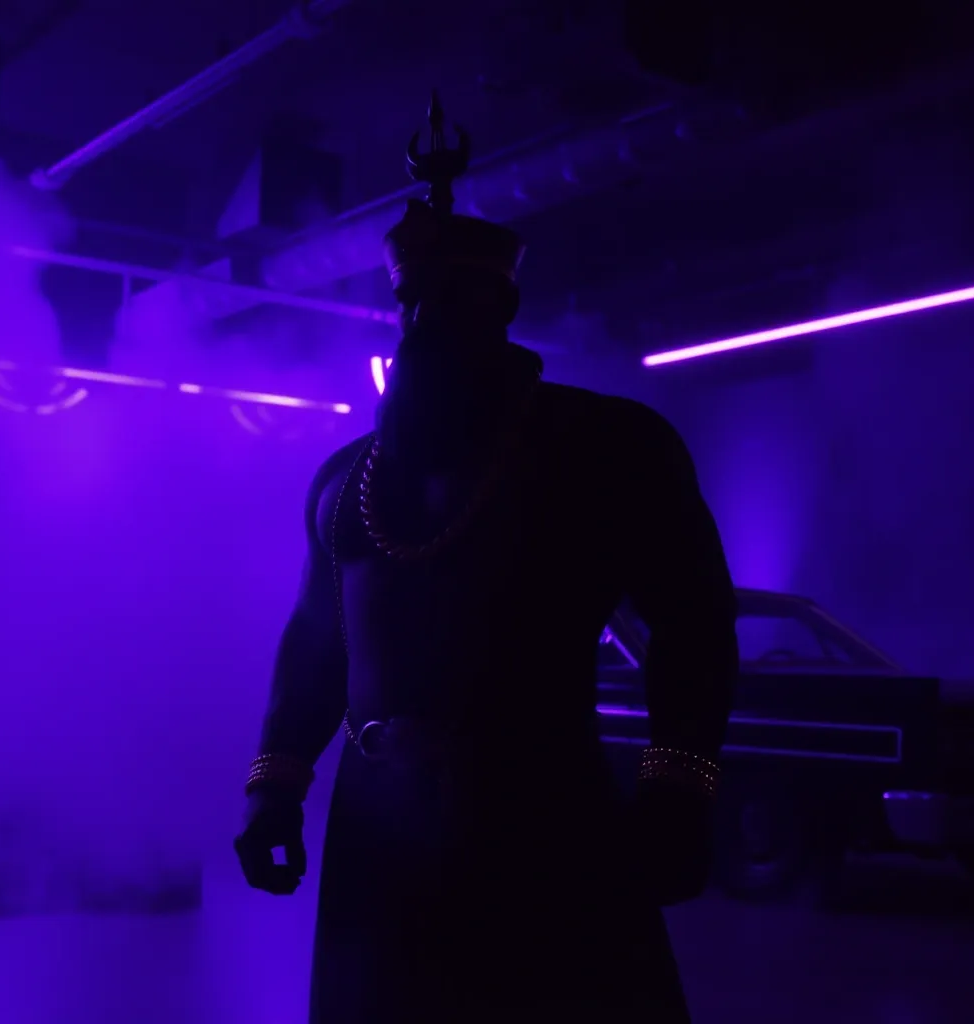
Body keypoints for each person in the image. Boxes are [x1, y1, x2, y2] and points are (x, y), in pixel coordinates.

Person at [234, 96, 738, 1023]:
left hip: (543, 810)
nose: (428, 319)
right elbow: (315, 644)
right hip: (378, 824)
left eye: (454, 299)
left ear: (501, 308)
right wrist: (275, 786)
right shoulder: (347, 478)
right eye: (414, 301)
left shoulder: (606, 444)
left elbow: (694, 621)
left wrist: (677, 786)